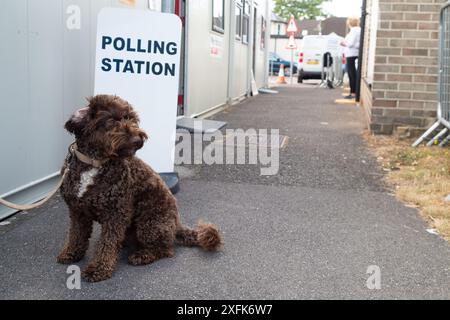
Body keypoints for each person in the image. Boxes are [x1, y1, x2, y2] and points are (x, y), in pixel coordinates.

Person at [340, 17, 361, 100]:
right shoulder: (358, 30)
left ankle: (353, 93)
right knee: (352, 74)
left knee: (351, 74)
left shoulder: (354, 31)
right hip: (353, 54)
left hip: (351, 54)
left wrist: (343, 43)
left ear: (349, 23)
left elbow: (351, 43)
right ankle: (354, 92)